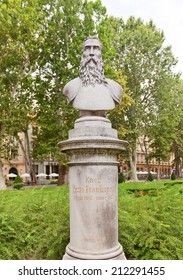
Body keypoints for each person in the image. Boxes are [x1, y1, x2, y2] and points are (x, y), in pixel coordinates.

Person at [63, 36, 123, 117]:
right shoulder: (70, 87)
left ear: (101, 55)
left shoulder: (115, 88)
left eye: (95, 48)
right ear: (82, 55)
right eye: (87, 48)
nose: (91, 53)